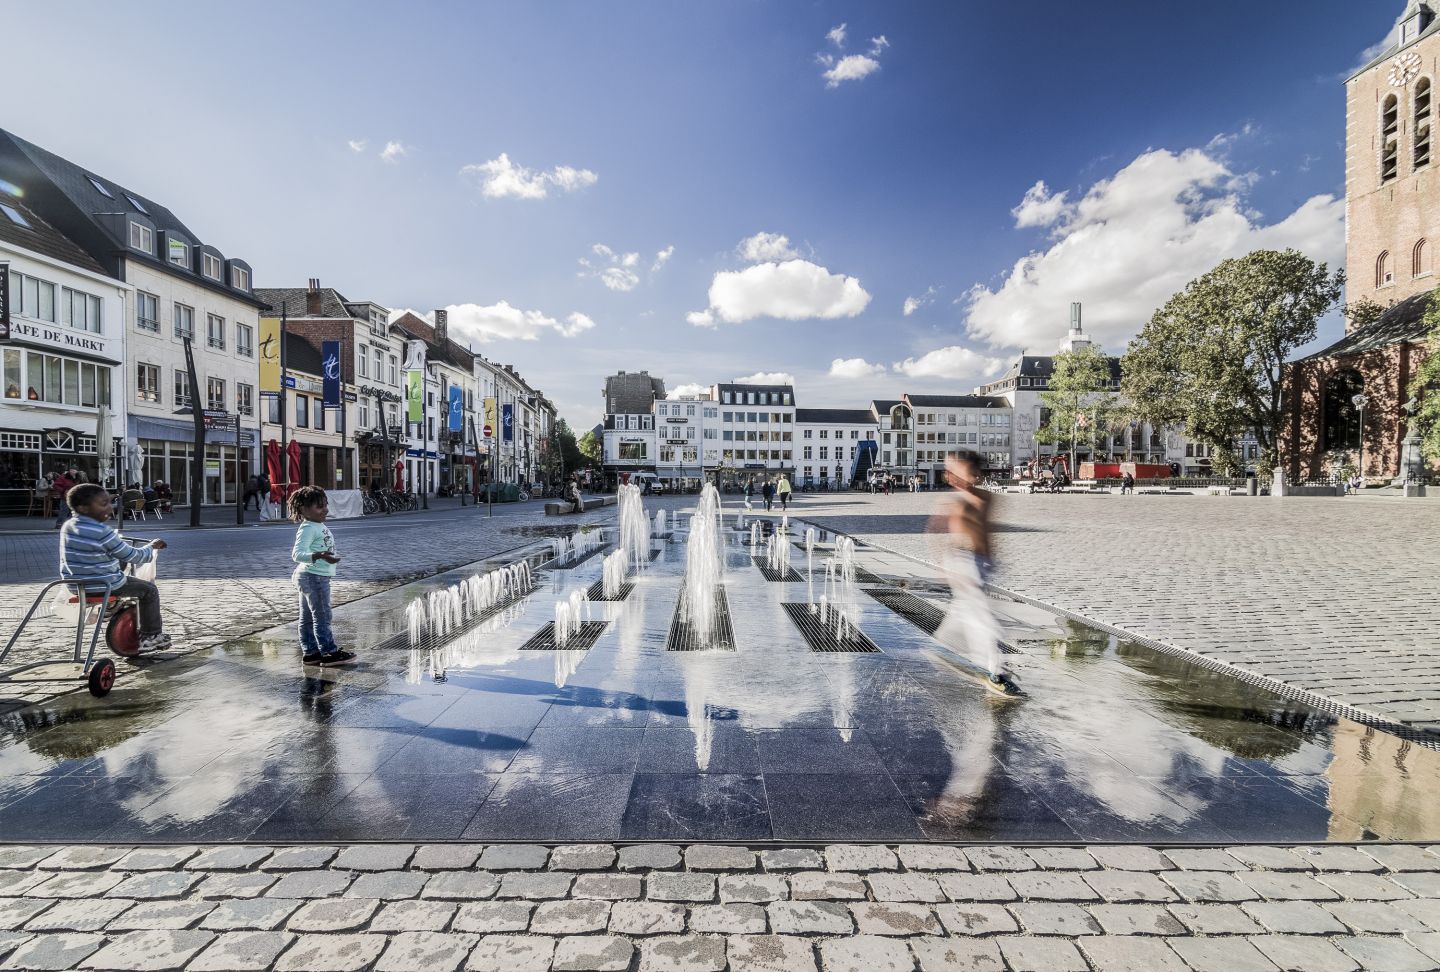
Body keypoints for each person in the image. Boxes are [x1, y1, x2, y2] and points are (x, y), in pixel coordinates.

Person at [930, 451, 1019, 695]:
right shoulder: (954, 502)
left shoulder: (986, 498)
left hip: (981, 562)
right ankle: (995, 670)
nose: (950, 476)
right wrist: (942, 564)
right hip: (961, 561)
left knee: (967, 608)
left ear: (975, 475)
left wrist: (992, 559)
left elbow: (988, 530)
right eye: (949, 472)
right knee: (981, 614)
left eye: (957, 471)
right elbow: (935, 531)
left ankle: (946, 642)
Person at [59, 483, 171, 652]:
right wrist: (151, 547)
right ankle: (152, 636)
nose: (109, 507)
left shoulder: (68, 526)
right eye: (103, 504)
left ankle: (111, 608)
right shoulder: (103, 531)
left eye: (109, 502)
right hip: (104, 583)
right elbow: (132, 555)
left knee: (117, 564)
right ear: (83, 508)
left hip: (76, 584)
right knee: (149, 591)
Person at [289, 485, 355, 667]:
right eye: (320, 507)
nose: (325, 510)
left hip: (312, 576)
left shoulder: (317, 525)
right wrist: (317, 556)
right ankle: (328, 652)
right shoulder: (308, 528)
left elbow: (321, 547)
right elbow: (297, 554)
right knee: (322, 616)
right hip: (314, 577)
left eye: (325, 505)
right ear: (303, 510)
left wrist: (328, 558)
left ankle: (311, 653)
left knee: (308, 617)